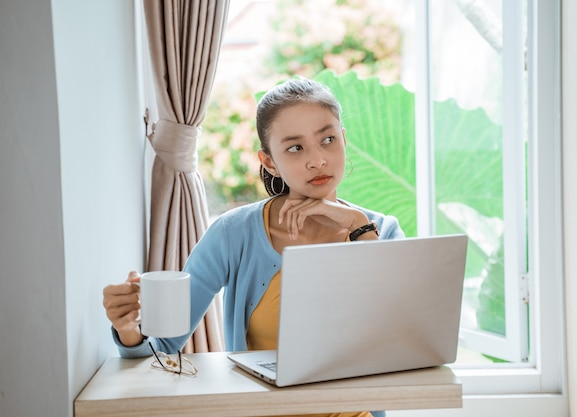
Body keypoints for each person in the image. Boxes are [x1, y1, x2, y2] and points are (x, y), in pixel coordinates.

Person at [103, 78, 405, 417]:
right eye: (295, 147)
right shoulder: (233, 234)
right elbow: (163, 347)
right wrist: (130, 331)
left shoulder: (383, 231)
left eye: (328, 140)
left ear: (344, 140)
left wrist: (357, 226)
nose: (318, 160)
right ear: (269, 161)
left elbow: (404, 341)